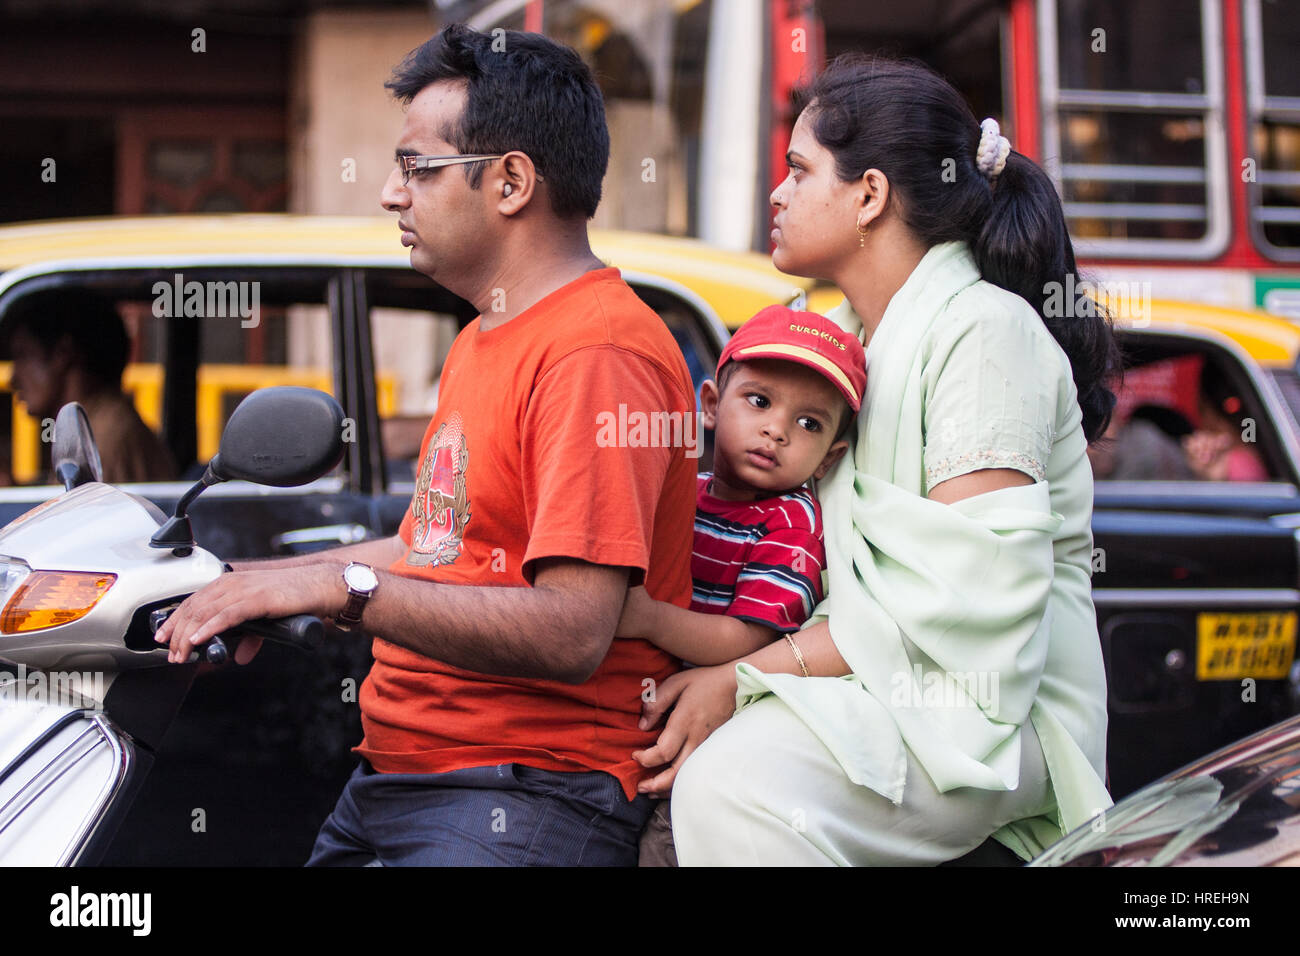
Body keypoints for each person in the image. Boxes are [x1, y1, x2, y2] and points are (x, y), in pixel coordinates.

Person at [155, 24, 698, 866]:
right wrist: (251, 584)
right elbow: (437, 549)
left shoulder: (597, 353)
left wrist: (342, 587)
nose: (389, 193)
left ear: (512, 181)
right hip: (410, 777)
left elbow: (572, 632)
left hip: (524, 791)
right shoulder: (489, 334)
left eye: (416, 166)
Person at [635, 54, 1123, 866]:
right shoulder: (849, 349)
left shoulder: (983, 333)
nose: (778, 194)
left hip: (999, 712)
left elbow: (968, 605)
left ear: (869, 195)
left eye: (798, 170)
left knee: (734, 786)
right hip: (882, 685)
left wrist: (746, 676)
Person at [620, 305, 866, 866]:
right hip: (657, 707)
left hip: (723, 725)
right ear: (710, 405)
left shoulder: (790, 522)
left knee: (667, 843)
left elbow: (748, 640)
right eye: (758, 401)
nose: (776, 429)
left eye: (809, 424)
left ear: (829, 459)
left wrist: (649, 617)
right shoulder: (691, 490)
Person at [2, 287, 176, 483]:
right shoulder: (92, 427)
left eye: (23, 355)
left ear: (63, 353)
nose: (12, 380)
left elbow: (75, 512)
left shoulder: (102, 440)